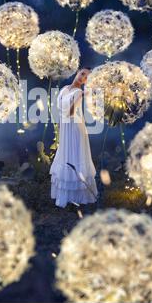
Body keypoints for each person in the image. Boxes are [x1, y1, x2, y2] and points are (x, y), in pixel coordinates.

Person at [50, 67, 98, 207]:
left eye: (86, 78)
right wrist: (59, 126)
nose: (82, 77)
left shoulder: (79, 93)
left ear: (86, 82)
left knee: (75, 156)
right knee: (65, 155)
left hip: (75, 127)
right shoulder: (64, 88)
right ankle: (67, 194)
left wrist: (80, 96)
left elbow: (71, 113)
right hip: (65, 127)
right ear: (78, 72)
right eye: (82, 73)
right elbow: (60, 110)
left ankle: (79, 195)